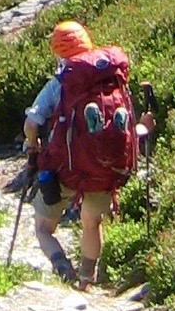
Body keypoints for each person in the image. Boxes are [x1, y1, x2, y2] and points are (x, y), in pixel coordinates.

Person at [22, 18, 137, 290]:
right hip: (107, 165)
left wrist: (33, 145)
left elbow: (31, 123)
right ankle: (87, 278)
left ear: (58, 51)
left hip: (66, 167)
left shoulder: (60, 83)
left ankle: (63, 268)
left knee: (43, 227)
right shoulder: (110, 77)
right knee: (91, 222)